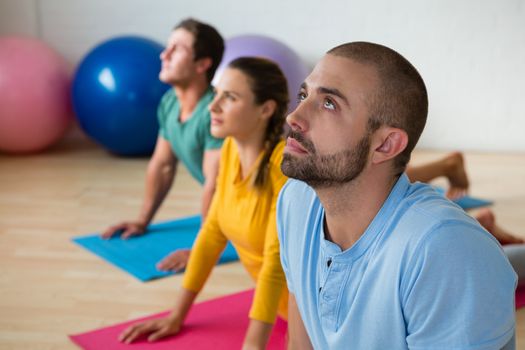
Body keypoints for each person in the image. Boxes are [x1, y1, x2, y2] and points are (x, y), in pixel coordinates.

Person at [277, 42, 516, 349]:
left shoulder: (444, 249)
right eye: (303, 95)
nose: (294, 117)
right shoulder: (295, 201)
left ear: (385, 145)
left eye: (329, 104)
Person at [119, 57, 290, 348]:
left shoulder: (283, 168)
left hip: (316, 314)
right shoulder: (229, 151)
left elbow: (277, 264)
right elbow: (212, 233)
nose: (212, 106)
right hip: (277, 310)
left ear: (266, 109)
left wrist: (252, 345)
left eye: (230, 97)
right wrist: (176, 316)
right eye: (216, 93)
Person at [101, 18, 224, 271]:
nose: (164, 54)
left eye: (177, 49)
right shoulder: (170, 103)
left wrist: (202, 249)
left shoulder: (216, 111)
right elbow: (162, 165)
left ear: (202, 64)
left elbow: (216, 184)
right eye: (168, 46)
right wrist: (142, 221)